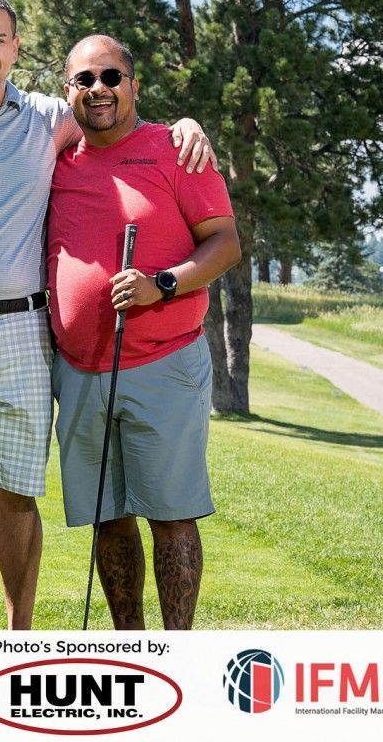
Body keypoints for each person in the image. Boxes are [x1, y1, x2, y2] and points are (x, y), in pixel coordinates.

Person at [0, 0, 215, 689]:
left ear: (17, 48)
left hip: (24, 328)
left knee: (18, 493)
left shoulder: (45, 119)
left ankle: (17, 641)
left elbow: (114, 109)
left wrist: (186, 123)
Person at [48, 34, 240, 630]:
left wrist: (164, 283)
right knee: (108, 516)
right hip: (80, 369)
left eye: (111, 77)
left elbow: (225, 244)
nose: (98, 89)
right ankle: (130, 646)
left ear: (133, 86)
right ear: (68, 92)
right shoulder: (54, 155)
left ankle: (177, 652)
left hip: (163, 361)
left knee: (172, 513)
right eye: (85, 80)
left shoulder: (175, 150)